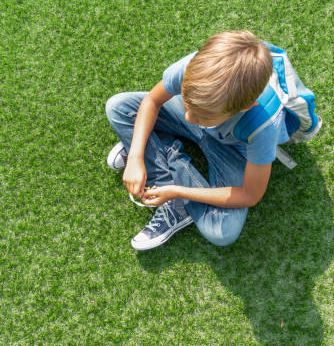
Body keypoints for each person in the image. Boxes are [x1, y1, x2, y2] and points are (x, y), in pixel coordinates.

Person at [105, 30, 290, 250]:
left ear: (244, 108)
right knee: (117, 107)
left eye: (204, 115)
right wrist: (135, 157)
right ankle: (152, 150)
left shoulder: (263, 127)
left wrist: (178, 191)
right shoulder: (196, 69)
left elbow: (250, 195)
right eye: (187, 102)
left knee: (223, 231)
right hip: (217, 121)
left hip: (231, 150)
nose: (188, 118)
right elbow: (152, 101)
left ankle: (168, 167)